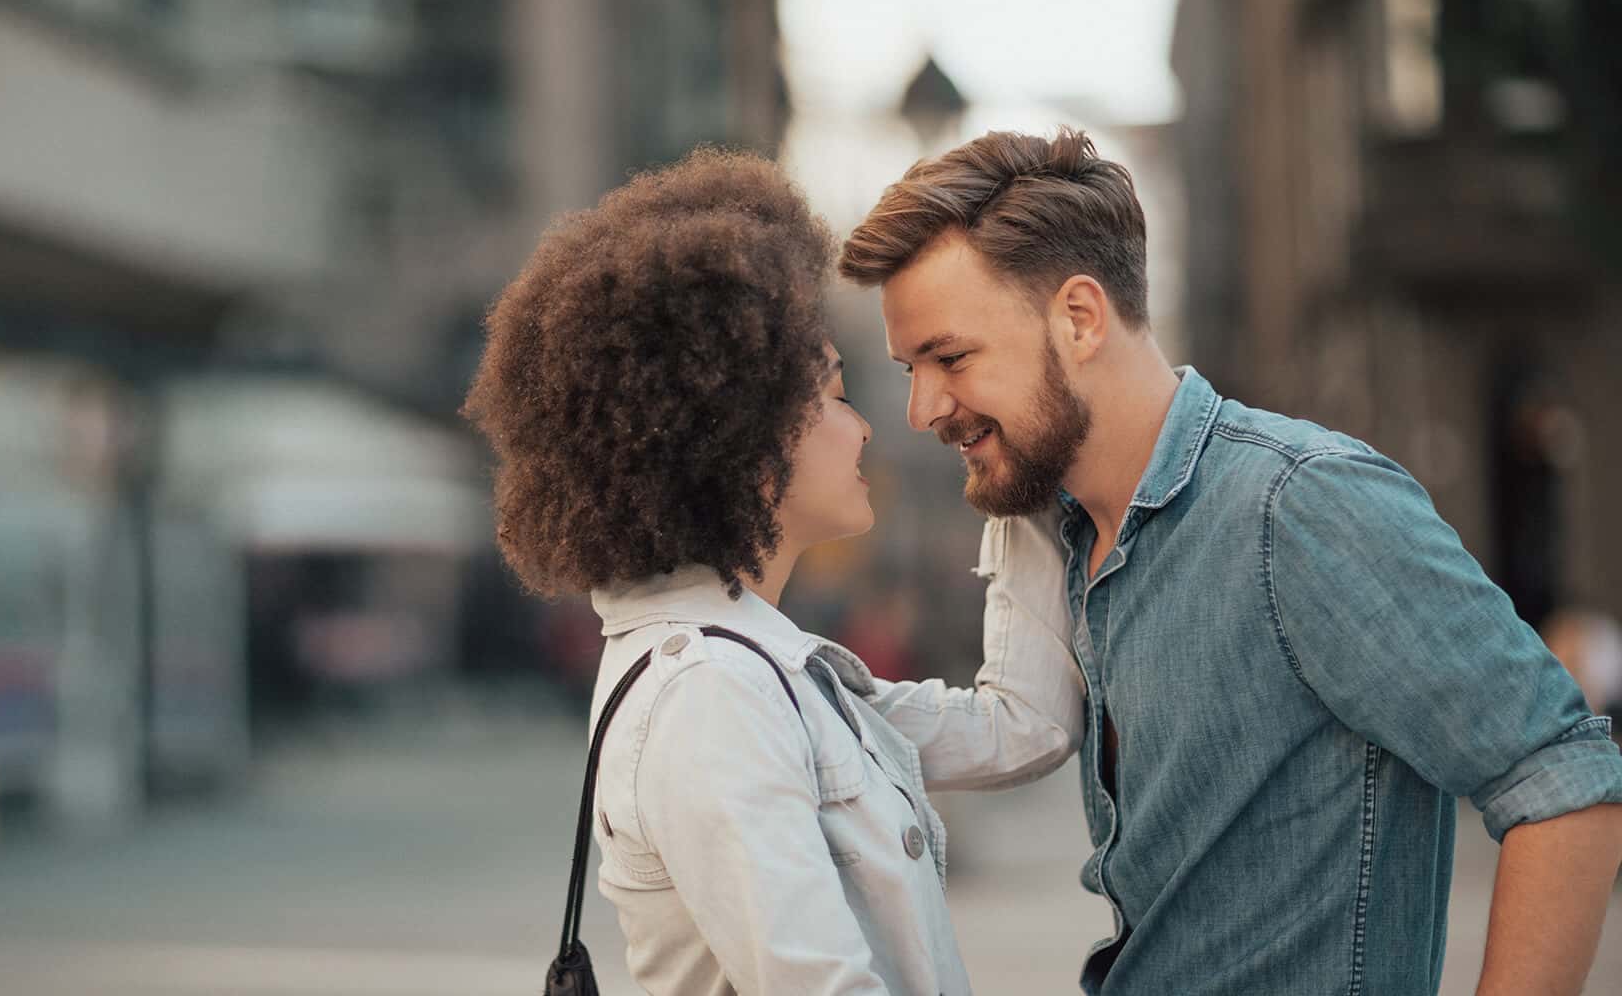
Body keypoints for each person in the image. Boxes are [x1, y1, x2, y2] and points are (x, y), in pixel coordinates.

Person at [840, 126, 1622, 995]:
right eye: (910, 368)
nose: (920, 409)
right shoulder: (1062, 534)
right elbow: (1016, 728)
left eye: (950, 358)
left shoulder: (1299, 505)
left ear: (1079, 318)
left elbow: (1566, 778)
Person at [462, 149, 1085, 995]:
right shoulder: (713, 691)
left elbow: (1023, 729)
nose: (864, 428)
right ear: (744, 439)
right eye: (832, 395)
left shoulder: (761, 669)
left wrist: (1020, 475)